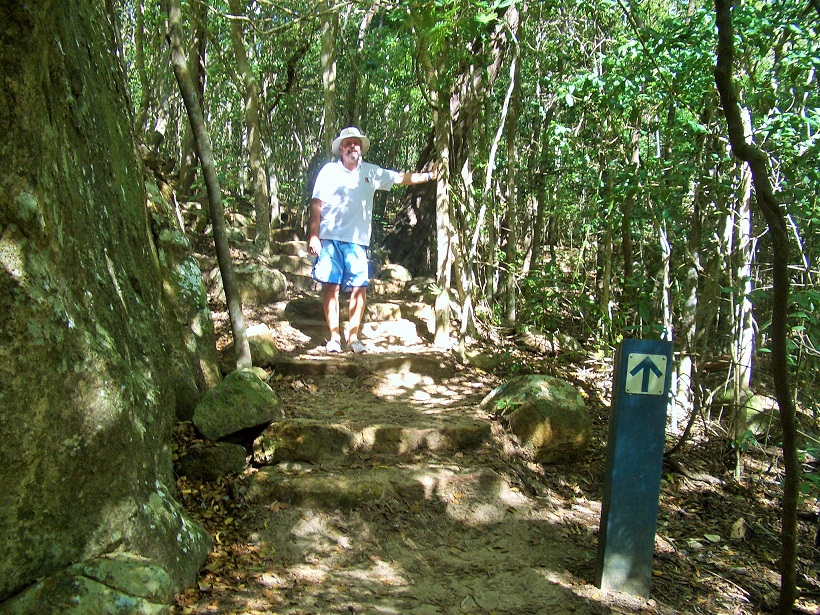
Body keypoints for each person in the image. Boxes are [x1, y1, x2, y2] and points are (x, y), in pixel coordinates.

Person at [309, 126, 437, 353]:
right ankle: (334, 337)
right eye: (348, 143)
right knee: (331, 287)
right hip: (330, 238)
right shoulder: (328, 171)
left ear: (361, 148)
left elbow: (400, 178)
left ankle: (354, 337)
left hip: (357, 242)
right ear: (341, 148)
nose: (352, 146)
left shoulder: (371, 172)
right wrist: (314, 236)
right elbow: (316, 204)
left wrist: (430, 176)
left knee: (360, 288)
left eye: (356, 143)